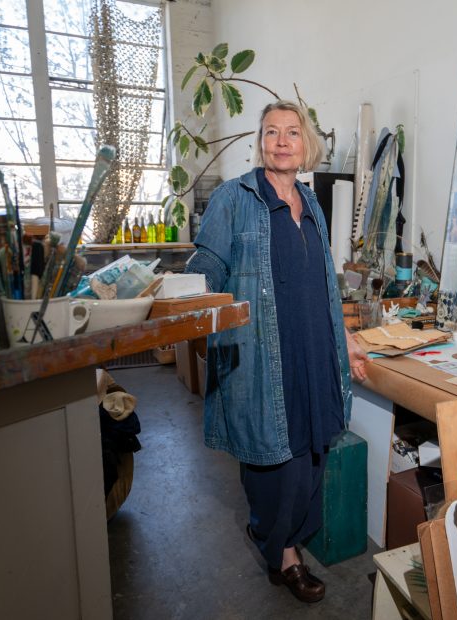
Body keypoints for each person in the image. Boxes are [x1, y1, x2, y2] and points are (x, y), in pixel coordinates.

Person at [185, 100, 369, 603]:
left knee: (312, 450)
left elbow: (325, 287)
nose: (282, 141)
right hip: (263, 353)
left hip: (314, 348)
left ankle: (276, 535)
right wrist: (199, 325)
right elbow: (205, 271)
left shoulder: (310, 204)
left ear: (305, 144)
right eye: (271, 132)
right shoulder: (233, 198)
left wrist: (347, 340)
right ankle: (283, 555)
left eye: (291, 132)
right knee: (274, 460)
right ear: (260, 142)